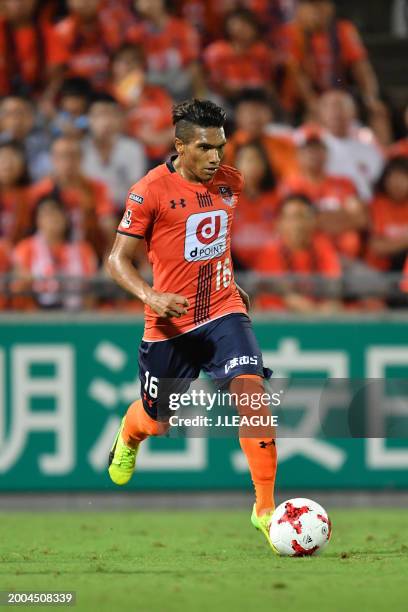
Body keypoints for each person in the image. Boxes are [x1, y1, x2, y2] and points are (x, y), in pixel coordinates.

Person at [107, 98, 278, 551]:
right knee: (158, 422)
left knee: (252, 393)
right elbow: (116, 261)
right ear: (179, 145)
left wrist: (231, 280)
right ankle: (129, 433)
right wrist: (150, 295)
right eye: (205, 148)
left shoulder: (230, 182)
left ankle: (264, 509)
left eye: (221, 146)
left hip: (223, 310)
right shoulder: (149, 191)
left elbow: (212, 239)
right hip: (170, 322)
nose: (216, 157)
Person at [279, 0, 391, 143]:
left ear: (330, 8)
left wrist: (370, 98)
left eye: (321, 6)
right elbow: (296, 75)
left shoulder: (343, 29)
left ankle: (384, 159)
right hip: (305, 100)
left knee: (379, 112)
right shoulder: (292, 32)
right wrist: (313, 102)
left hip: (340, 93)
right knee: (314, 117)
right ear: (300, 10)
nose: (316, 12)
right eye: (311, 7)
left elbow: (362, 67)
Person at [281, 131, 367, 259]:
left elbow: (360, 219)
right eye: (308, 150)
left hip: (347, 259)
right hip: (307, 259)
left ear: (326, 154)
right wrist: (341, 215)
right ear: (298, 156)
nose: (313, 154)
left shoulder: (344, 183)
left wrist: (314, 220)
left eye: (318, 150)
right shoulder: (290, 186)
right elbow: (291, 224)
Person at [31, 135, 116, 260]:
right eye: (62, 156)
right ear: (52, 159)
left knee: (109, 224)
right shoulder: (40, 191)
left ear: (81, 158)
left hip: (89, 246)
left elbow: (107, 218)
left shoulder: (96, 188)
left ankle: (111, 260)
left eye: (73, 155)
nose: (67, 162)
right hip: (49, 249)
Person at [253, 194, 342, 312]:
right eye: (291, 218)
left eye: (303, 217)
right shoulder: (270, 251)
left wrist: (329, 310)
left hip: (318, 320)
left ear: (314, 221)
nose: (297, 225)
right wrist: (318, 316)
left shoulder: (323, 248)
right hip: (277, 323)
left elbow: (334, 290)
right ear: (279, 223)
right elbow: (288, 297)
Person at [13, 195, 97, 310]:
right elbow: (20, 287)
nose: (53, 218)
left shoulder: (83, 249)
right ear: (37, 220)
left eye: (57, 212)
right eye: (47, 214)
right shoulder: (25, 248)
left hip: (76, 313)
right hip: (37, 314)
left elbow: (91, 288)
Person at [111, 44, 174, 165]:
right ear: (113, 66)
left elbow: (177, 127)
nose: (130, 65)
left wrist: (157, 139)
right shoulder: (109, 96)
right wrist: (129, 105)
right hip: (126, 158)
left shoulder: (157, 92)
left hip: (161, 156)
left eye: (135, 61)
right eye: (123, 61)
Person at [127, 0, 204, 100]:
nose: (148, 3)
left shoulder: (183, 28)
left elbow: (193, 65)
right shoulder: (134, 35)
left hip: (181, 86)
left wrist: (199, 97)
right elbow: (134, 71)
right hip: (152, 89)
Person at [315, 90, 384, 201]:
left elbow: (380, 183)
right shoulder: (311, 148)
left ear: (353, 112)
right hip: (325, 209)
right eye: (330, 107)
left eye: (341, 107)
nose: (336, 112)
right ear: (320, 113)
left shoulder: (369, 149)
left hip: (364, 209)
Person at [82, 93, 146, 213]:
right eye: (99, 115)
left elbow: (137, 191)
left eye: (111, 114)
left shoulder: (133, 148)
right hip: (89, 212)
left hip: (124, 212)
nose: (105, 122)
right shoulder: (80, 149)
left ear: (119, 119)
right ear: (89, 119)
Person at [53, 0, 128, 91]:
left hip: (108, 94)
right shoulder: (60, 32)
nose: (85, 2)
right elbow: (56, 74)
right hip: (73, 94)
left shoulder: (113, 27)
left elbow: (122, 62)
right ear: (69, 2)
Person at [203, 8, 276, 102]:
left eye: (248, 25)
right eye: (240, 23)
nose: (243, 29)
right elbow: (215, 84)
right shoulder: (216, 52)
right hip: (224, 99)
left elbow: (268, 83)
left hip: (256, 100)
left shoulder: (261, 52)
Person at [223, 89, 298, 178]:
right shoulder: (228, 149)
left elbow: (292, 176)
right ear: (238, 115)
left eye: (258, 110)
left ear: (270, 114)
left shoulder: (283, 146)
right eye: (249, 111)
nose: (254, 117)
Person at [0, 0, 66, 98]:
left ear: (33, 3)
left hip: (36, 96)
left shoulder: (45, 30)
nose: (19, 4)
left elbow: (57, 70)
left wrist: (47, 98)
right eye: (12, 1)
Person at [232, 141, 279, 269]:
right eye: (247, 159)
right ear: (236, 164)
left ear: (265, 165)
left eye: (256, 159)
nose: (252, 165)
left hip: (271, 266)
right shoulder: (226, 201)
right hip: (235, 269)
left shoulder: (277, 199)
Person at [367, 157, 408, 274]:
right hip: (379, 272)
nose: (398, 183)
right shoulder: (377, 205)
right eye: (394, 177)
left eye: (403, 178)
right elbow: (378, 247)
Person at [0, 95, 51, 180]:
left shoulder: (45, 142)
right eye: (8, 113)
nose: (15, 119)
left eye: (19, 113)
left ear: (31, 117)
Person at [0, 141, 35, 245]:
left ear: (23, 166)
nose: (8, 164)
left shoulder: (32, 195)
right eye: (3, 158)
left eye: (13, 158)